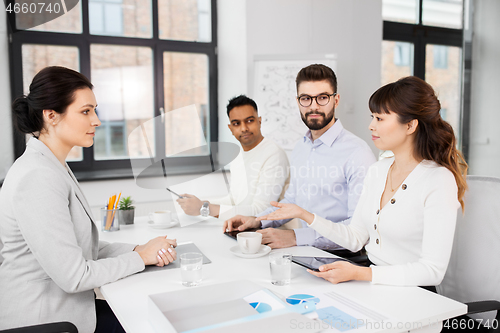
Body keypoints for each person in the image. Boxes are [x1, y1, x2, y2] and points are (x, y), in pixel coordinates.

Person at [0, 66, 178, 333]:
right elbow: (74, 275)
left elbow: (81, 248)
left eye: (94, 110)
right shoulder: (37, 177)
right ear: (51, 116)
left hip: (66, 308)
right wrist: (141, 257)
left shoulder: (52, 165)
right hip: (45, 319)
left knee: (147, 312)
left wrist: (139, 249)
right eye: (86, 111)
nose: (96, 121)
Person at [254, 76, 468, 287]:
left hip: (414, 294)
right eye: (372, 117)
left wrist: (362, 273)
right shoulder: (379, 170)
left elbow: (432, 271)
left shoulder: (438, 180)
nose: (371, 126)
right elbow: (355, 237)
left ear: (410, 125)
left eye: (380, 119)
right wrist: (305, 215)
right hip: (371, 285)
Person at [223, 64, 376, 250]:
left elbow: (358, 229)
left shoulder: (357, 153)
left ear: (336, 100)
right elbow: (292, 201)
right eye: (306, 98)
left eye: (322, 98)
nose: (313, 106)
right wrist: (258, 220)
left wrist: (296, 236)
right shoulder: (301, 147)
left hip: (344, 258)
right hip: (306, 252)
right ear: (298, 102)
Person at [176, 95, 289, 220]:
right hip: (243, 229)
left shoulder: (274, 154)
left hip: (272, 233)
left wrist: (204, 208)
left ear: (259, 121)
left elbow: (261, 211)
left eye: (250, 121)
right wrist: (200, 204)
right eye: (236, 123)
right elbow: (234, 200)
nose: (244, 128)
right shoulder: (238, 156)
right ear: (231, 128)